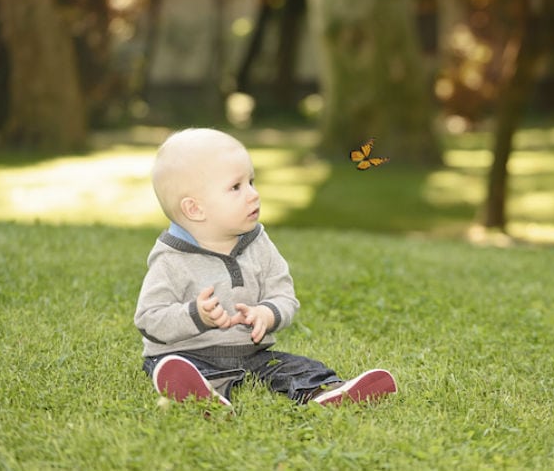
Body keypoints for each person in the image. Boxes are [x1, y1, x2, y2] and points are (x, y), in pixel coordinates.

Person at [134, 128, 396, 407]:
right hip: (188, 354)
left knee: (293, 367)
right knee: (183, 370)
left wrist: (267, 314)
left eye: (251, 181)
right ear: (195, 209)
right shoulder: (172, 258)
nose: (253, 194)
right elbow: (149, 319)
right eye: (236, 187)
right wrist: (196, 315)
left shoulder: (258, 243)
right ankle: (201, 395)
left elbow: (284, 297)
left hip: (251, 354)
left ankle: (327, 391)